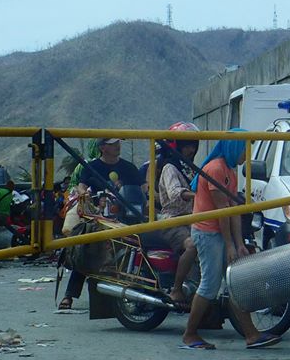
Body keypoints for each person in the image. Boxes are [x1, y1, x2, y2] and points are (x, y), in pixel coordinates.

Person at [181, 131, 281, 350]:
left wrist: (239, 244)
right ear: (235, 147)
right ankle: (189, 335)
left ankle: (251, 334)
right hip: (208, 233)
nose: (247, 154)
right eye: (245, 148)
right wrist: (229, 245)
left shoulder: (229, 170)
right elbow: (221, 212)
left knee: (236, 282)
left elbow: (233, 210)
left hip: (219, 233)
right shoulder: (216, 169)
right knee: (209, 285)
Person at [59, 138, 143, 310]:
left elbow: (142, 188)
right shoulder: (92, 167)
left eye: (118, 143)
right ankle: (69, 295)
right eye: (112, 144)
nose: (117, 146)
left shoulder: (129, 168)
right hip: (99, 216)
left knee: (134, 249)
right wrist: (86, 195)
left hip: (125, 216)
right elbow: (81, 186)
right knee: (87, 249)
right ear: (103, 148)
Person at [154, 122, 200, 307]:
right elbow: (175, 192)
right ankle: (177, 289)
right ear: (177, 146)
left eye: (194, 145)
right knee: (192, 245)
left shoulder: (189, 167)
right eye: (187, 145)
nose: (191, 149)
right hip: (173, 220)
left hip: (193, 218)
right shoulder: (170, 168)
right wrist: (197, 196)